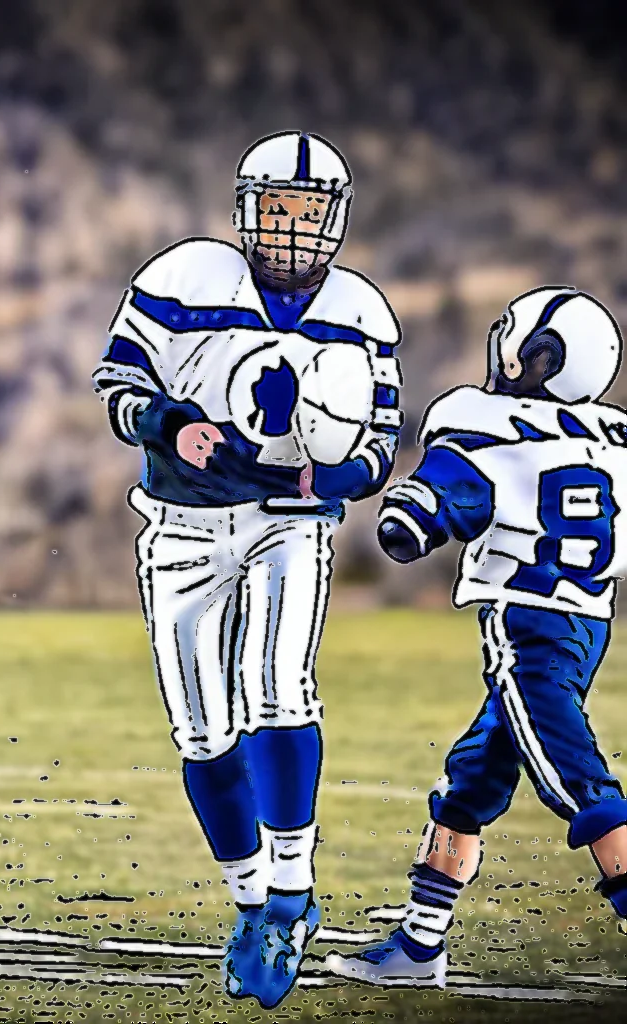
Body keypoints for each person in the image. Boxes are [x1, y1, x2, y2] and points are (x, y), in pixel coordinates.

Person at [93, 132, 402, 1006]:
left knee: (278, 687)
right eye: (279, 208)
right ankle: (249, 898)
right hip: (181, 522)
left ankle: (292, 894)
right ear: (246, 209)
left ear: (337, 218)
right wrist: (170, 425)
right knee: (201, 730)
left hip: (287, 522)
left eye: (309, 211)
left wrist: (331, 478)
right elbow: (117, 388)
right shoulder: (184, 277)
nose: (293, 228)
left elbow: (379, 445)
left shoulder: (362, 311)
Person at [327, 286, 627, 987]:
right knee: (472, 778)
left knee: (578, 781)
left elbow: (444, 497)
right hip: (589, 623)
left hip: (527, 623)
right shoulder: (615, 436)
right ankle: (418, 946)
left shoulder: (484, 419)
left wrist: (410, 519)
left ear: (537, 356)